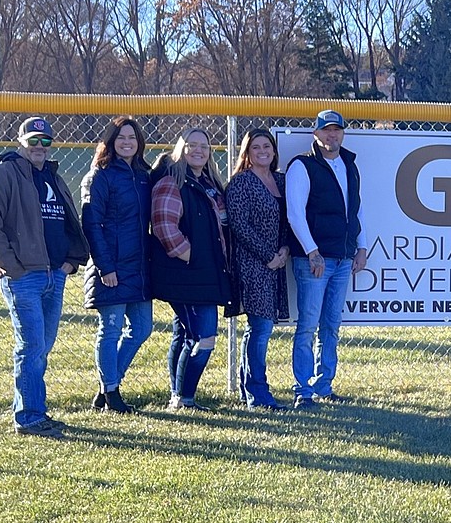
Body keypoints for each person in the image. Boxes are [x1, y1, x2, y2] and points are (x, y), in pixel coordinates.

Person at [0, 117, 89, 438]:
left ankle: (33, 410)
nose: (39, 147)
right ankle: (29, 417)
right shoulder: (1, 174)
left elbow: (68, 222)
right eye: (33, 140)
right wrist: (13, 266)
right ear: (21, 141)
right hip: (23, 276)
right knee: (31, 346)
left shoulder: (52, 176)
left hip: (55, 273)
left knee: (42, 346)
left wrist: (68, 263)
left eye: (45, 142)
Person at [286, 109, 369, 407]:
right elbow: (295, 214)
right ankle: (302, 390)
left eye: (337, 130)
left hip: (343, 258)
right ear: (316, 134)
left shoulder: (349, 165)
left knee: (331, 324)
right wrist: (311, 250)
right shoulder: (302, 166)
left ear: (343, 133)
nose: (331, 135)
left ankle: (324, 385)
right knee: (308, 324)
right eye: (326, 130)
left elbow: (355, 210)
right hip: (314, 261)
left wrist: (361, 247)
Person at [149, 128, 233, 410]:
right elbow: (164, 225)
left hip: (207, 273)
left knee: (185, 334)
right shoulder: (172, 180)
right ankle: (184, 398)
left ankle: (177, 395)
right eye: (192, 145)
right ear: (180, 148)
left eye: (204, 146)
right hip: (186, 273)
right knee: (204, 337)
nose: (199, 150)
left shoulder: (209, 183)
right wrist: (190, 256)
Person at [80, 116, 153, 415]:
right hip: (111, 268)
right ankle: (111, 392)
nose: (127, 142)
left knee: (142, 328)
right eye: (121, 137)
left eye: (132, 138)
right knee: (110, 330)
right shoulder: (100, 175)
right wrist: (104, 267)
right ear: (110, 141)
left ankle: (107, 384)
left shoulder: (143, 175)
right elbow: (91, 224)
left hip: (138, 267)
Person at [226, 128, 290, 410]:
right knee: (261, 327)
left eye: (267, 146)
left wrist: (285, 250)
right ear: (247, 153)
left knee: (260, 327)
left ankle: (247, 388)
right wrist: (268, 256)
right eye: (256, 147)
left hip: (277, 261)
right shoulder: (241, 183)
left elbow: (290, 220)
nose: (262, 151)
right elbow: (240, 226)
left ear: (274, 151)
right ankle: (258, 393)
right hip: (253, 263)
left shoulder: (281, 180)